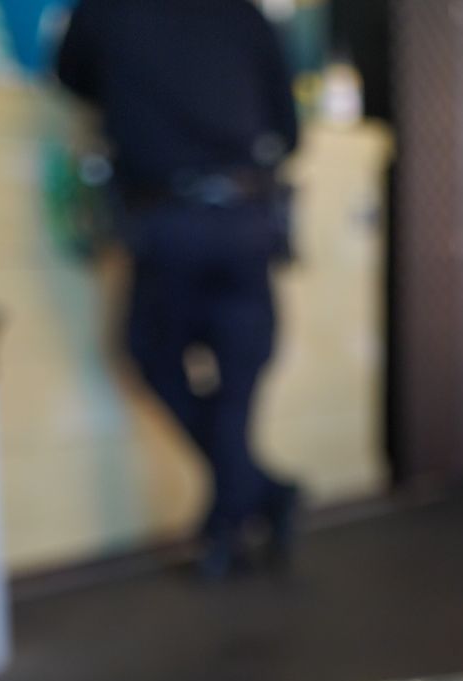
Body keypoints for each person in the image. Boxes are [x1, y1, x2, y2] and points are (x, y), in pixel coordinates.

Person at [57, 0, 300, 576]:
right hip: (248, 220)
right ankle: (249, 502)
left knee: (152, 357)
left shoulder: (105, 12)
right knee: (237, 385)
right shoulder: (245, 14)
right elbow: (288, 129)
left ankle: (243, 511)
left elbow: (71, 79)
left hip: (169, 222)